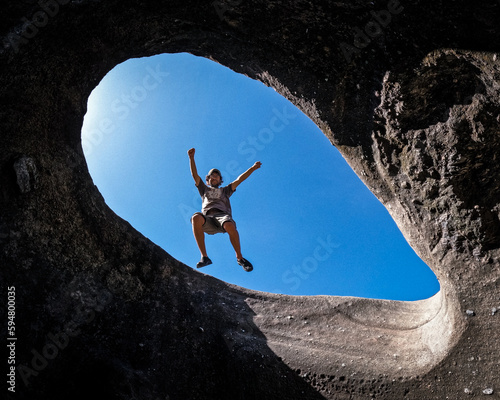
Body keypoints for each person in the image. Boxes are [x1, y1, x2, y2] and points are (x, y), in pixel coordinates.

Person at [187, 147, 261, 272]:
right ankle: (204, 257)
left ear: (220, 180)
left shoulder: (225, 190)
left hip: (222, 216)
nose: (214, 177)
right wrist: (191, 158)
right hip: (208, 219)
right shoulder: (204, 189)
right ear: (208, 179)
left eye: (217, 176)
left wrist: (253, 168)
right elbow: (195, 175)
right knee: (195, 217)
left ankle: (240, 258)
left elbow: (239, 179)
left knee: (228, 224)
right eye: (212, 176)